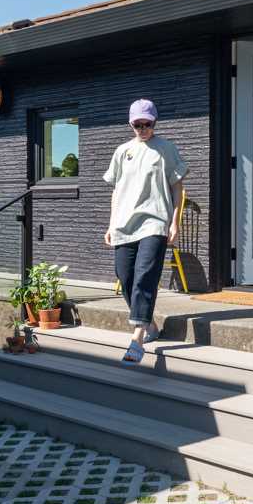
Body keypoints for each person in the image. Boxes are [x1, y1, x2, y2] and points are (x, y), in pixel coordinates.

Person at [103, 99, 188, 364]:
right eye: (137, 124)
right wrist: (111, 222)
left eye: (147, 124)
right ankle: (149, 324)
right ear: (130, 124)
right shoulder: (122, 151)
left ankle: (137, 338)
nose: (142, 128)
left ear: (154, 122)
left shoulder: (166, 149)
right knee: (125, 274)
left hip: (154, 222)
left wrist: (175, 222)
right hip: (124, 224)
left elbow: (177, 188)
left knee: (144, 276)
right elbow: (116, 190)